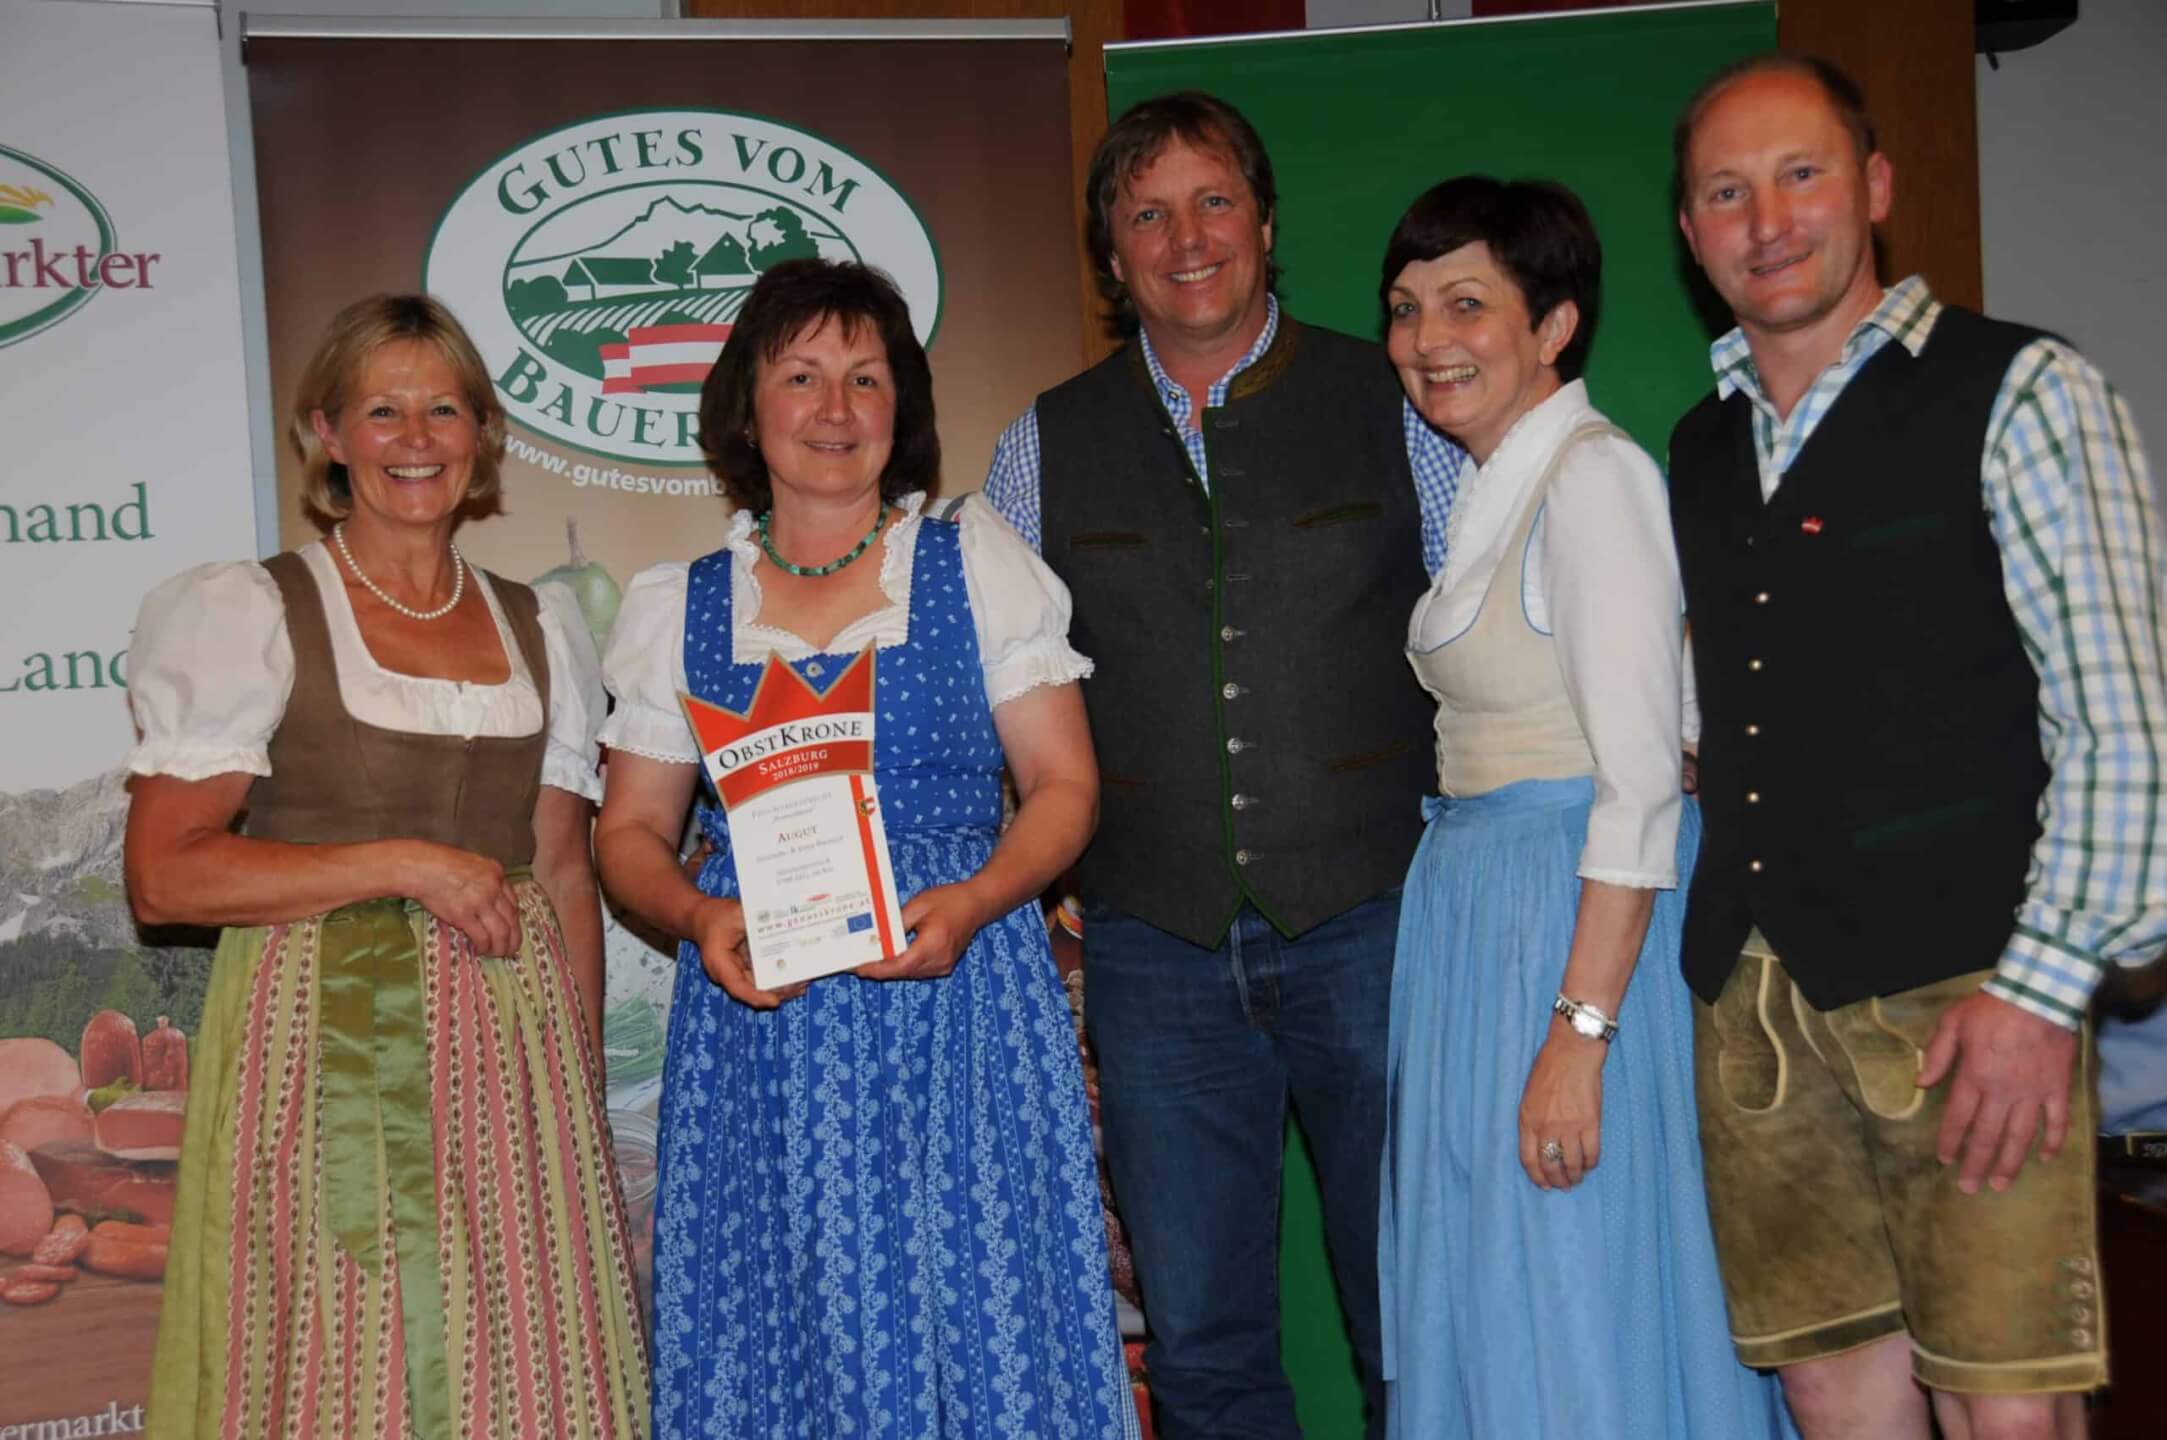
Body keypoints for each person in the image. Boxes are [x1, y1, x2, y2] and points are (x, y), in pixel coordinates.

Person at [1669, 52, 2167, 1439]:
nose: (1767, 219)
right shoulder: (1698, 446)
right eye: (1726, 191)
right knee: (1829, 1394)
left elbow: (2125, 723)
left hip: (1971, 996)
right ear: (1690, 231)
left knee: (2003, 1412)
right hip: (1756, 1001)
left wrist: (2040, 996)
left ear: (1875, 187)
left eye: (1800, 174)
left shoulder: (2021, 390)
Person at [982, 92, 1466, 1440]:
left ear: (1262, 221)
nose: (1183, 238)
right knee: (1198, 1347)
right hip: (1152, 948)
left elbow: (1496, 636)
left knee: (1415, 1319)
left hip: (1379, 923)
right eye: (1146, 214)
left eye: (1211, 201)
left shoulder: (1401, 402)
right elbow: (995, 696)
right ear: (1111, 253)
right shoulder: (1037, 446)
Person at [592, 259, 1136, 1440]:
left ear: (903, 407)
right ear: (747, 409)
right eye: (801, 377)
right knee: (785, 1312)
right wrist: (698, 916)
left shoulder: (972, 564)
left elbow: (1063, 788)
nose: (834, 409)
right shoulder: (679, 605)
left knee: (983, 1307)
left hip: (962, 998)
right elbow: (628, 832)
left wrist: (976, 901)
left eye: (865, 377)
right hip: (764, 1017)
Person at [126, 294, 649, 1439]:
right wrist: (405, 863)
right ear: (327, 433)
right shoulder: (255, 611)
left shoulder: (541, 625)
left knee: (514, 1348)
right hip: (318, 1044)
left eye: (443, 410)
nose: (416, 439)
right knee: (344, 1339)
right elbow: (165, 877)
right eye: (382, 411)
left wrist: (575, 1099)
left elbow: (564, 873)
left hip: (510, 1052)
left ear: (481, 435)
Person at [1373, 175, 1792, 1439]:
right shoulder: (1499, 483)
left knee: (1576, 1289)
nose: (1427, 339)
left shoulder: (1591, 479)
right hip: (1484, 927)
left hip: (1571, 932)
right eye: (1405, 308)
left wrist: (1579, 1035)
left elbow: (1642, 777)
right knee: (1508, 1295)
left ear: (1552, 324)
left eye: (1466, 304)